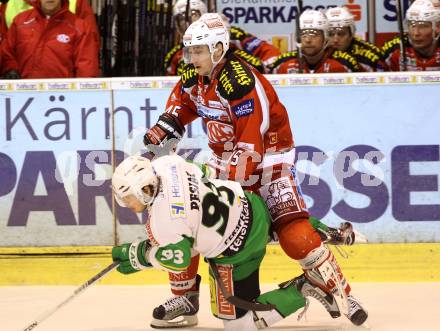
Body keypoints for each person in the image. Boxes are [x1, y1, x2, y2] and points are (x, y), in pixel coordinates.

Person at [144, 12, 367, 329]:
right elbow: (182, 106)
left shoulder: (239, 81)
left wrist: (233, 199)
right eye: (189, 50)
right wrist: (162, 135)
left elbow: (251, 145)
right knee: (188, 220)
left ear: (219, 49)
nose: (191, 57)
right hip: (223, 160)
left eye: (198, 51)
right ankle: (186, 300)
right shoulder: (193, 73)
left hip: (270, 162)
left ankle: (338, 290)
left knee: (295, 237)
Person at [111, 154, 342, 330]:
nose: (126, 204)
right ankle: (306, 225)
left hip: (239, 253)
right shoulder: (167, 163)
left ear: (144, 189)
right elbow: (205, 173)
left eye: (127, 197)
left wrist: (141, 256)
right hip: (254, 207)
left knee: (239, 326)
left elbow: (179, 257)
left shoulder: (163, 222)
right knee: (190, 235)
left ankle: (303, 288)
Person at [163, 0, 276, 75]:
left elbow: (268, 52)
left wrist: (269, 71)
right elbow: (169, 86)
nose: (187, 22)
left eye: (193, 15)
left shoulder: (233, 35)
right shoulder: (175, 55)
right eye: (181, 19)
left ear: (204, 14)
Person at [1, 0, 99, 78]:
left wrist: (83, 94)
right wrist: (11, 69)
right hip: (23, 93)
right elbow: (7, 52)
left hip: (64, 95)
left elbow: (87, 68)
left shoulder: (79, 27)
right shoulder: (20, 22)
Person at [270, 10, 360, 74]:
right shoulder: (282, 63)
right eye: (303, 34)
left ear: (325, 38)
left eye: (314, 34)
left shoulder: (345, 63)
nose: (308, 40)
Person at [382, 0, 440, 71]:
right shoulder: (393, 49)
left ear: (438, 27)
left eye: (423, 26)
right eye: (412, 25)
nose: (416, 33)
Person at [326, 6, 385, 72]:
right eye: (330, 34)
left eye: (341, 34)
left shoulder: (370, 56)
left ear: (351, 34)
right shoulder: (318, 53)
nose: (335, 40)